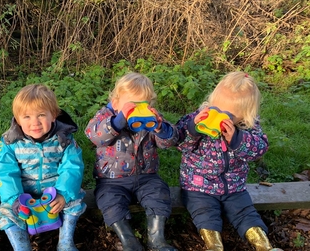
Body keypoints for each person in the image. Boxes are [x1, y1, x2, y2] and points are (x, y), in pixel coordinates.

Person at [176, 72, 282, 251]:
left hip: (234, 187)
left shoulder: (248, 127)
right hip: (199, 185)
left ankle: (264, 244)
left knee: (245, 213)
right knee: (205, 213)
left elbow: (260, 149)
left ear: (245, 115)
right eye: (217, 108)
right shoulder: (199, 117)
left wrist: (237, 139)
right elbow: (179, 142)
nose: (220, 116)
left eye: (229, 115)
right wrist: (194, 128)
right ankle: (214, 245)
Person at [85, 72, 179, 251]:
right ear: (115, 102)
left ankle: (156, 238)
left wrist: (160, 128)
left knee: (159, 194)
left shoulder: (151, 118)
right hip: (111, 179)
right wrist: (118, 122)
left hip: (146, 176)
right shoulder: (105, 116)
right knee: (109, 201)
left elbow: (169, 142)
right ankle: (128, 239)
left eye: (142, 104)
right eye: (131, 105)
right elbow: (94, 136)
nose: (136, 109)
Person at [0, 84, 86, 251]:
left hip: (54, 191)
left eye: (41, 115)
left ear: (54, 116)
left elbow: (72, 168)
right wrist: (14, 199)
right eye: (27, 117)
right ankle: (21, 247)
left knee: (74, 201)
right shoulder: (10, 142)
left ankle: (65, 242)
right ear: (17, 118)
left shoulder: (64, 140)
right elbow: (4, 172)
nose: (35, 122)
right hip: (22, 193)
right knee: (7, 214)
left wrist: (63, 194)